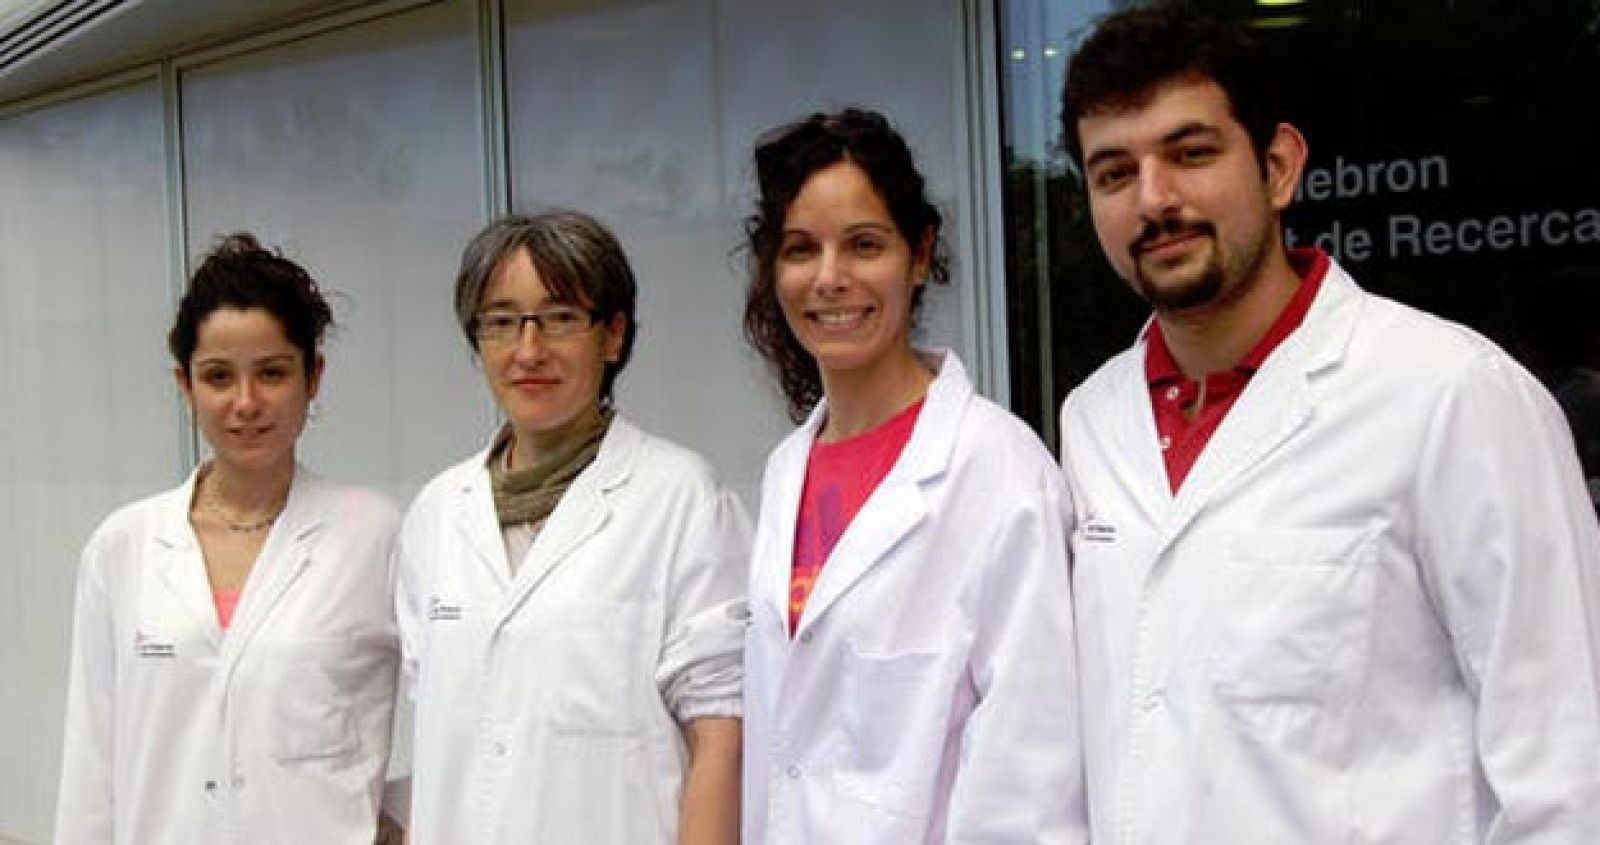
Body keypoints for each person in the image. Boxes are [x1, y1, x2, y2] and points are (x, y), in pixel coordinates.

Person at [1056, 6, 1600, 842]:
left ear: (1278, 167)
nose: (1154, 199)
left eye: (1191, 153)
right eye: (1114, 172)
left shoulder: (1452, 395)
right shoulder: (1092, 420)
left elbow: (1572, 766)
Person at [739, 107, 1087, 844]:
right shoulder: (784, 470)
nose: (830, 279)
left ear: (920, 253)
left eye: (864, 244)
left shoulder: (1000, 473)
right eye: (801, 249)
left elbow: (1031, 785)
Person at [395, 210, 749, 843]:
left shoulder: (679, 497)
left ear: (612, 335)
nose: (529, 350)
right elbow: (447, 728)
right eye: (502, 322)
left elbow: (722, 733)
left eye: (559, 319)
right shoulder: (438, 512)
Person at [55, 234, 403, 843]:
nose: (246, 403)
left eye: (272, 372)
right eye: (218, 377)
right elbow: (92, 763)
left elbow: (459, 706)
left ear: (313, 376)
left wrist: (397, 818)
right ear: (185, 385)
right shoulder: (124, 546)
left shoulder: (374, 535)